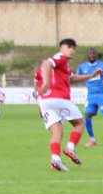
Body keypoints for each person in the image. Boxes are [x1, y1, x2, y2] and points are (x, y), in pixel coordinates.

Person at [35, 39, 93, 172]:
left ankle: (55, 159)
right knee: (79, 123)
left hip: (45, 101)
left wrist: (91, 75)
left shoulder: (64, 65)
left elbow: (72, 79)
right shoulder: (60, 57)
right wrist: (46, 82)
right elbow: (46, 63)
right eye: (69, 47)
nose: (72, 50)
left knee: (57, 131)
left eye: (74, 48)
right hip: (59, 99)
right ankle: (70, 148)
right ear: (62, 48)